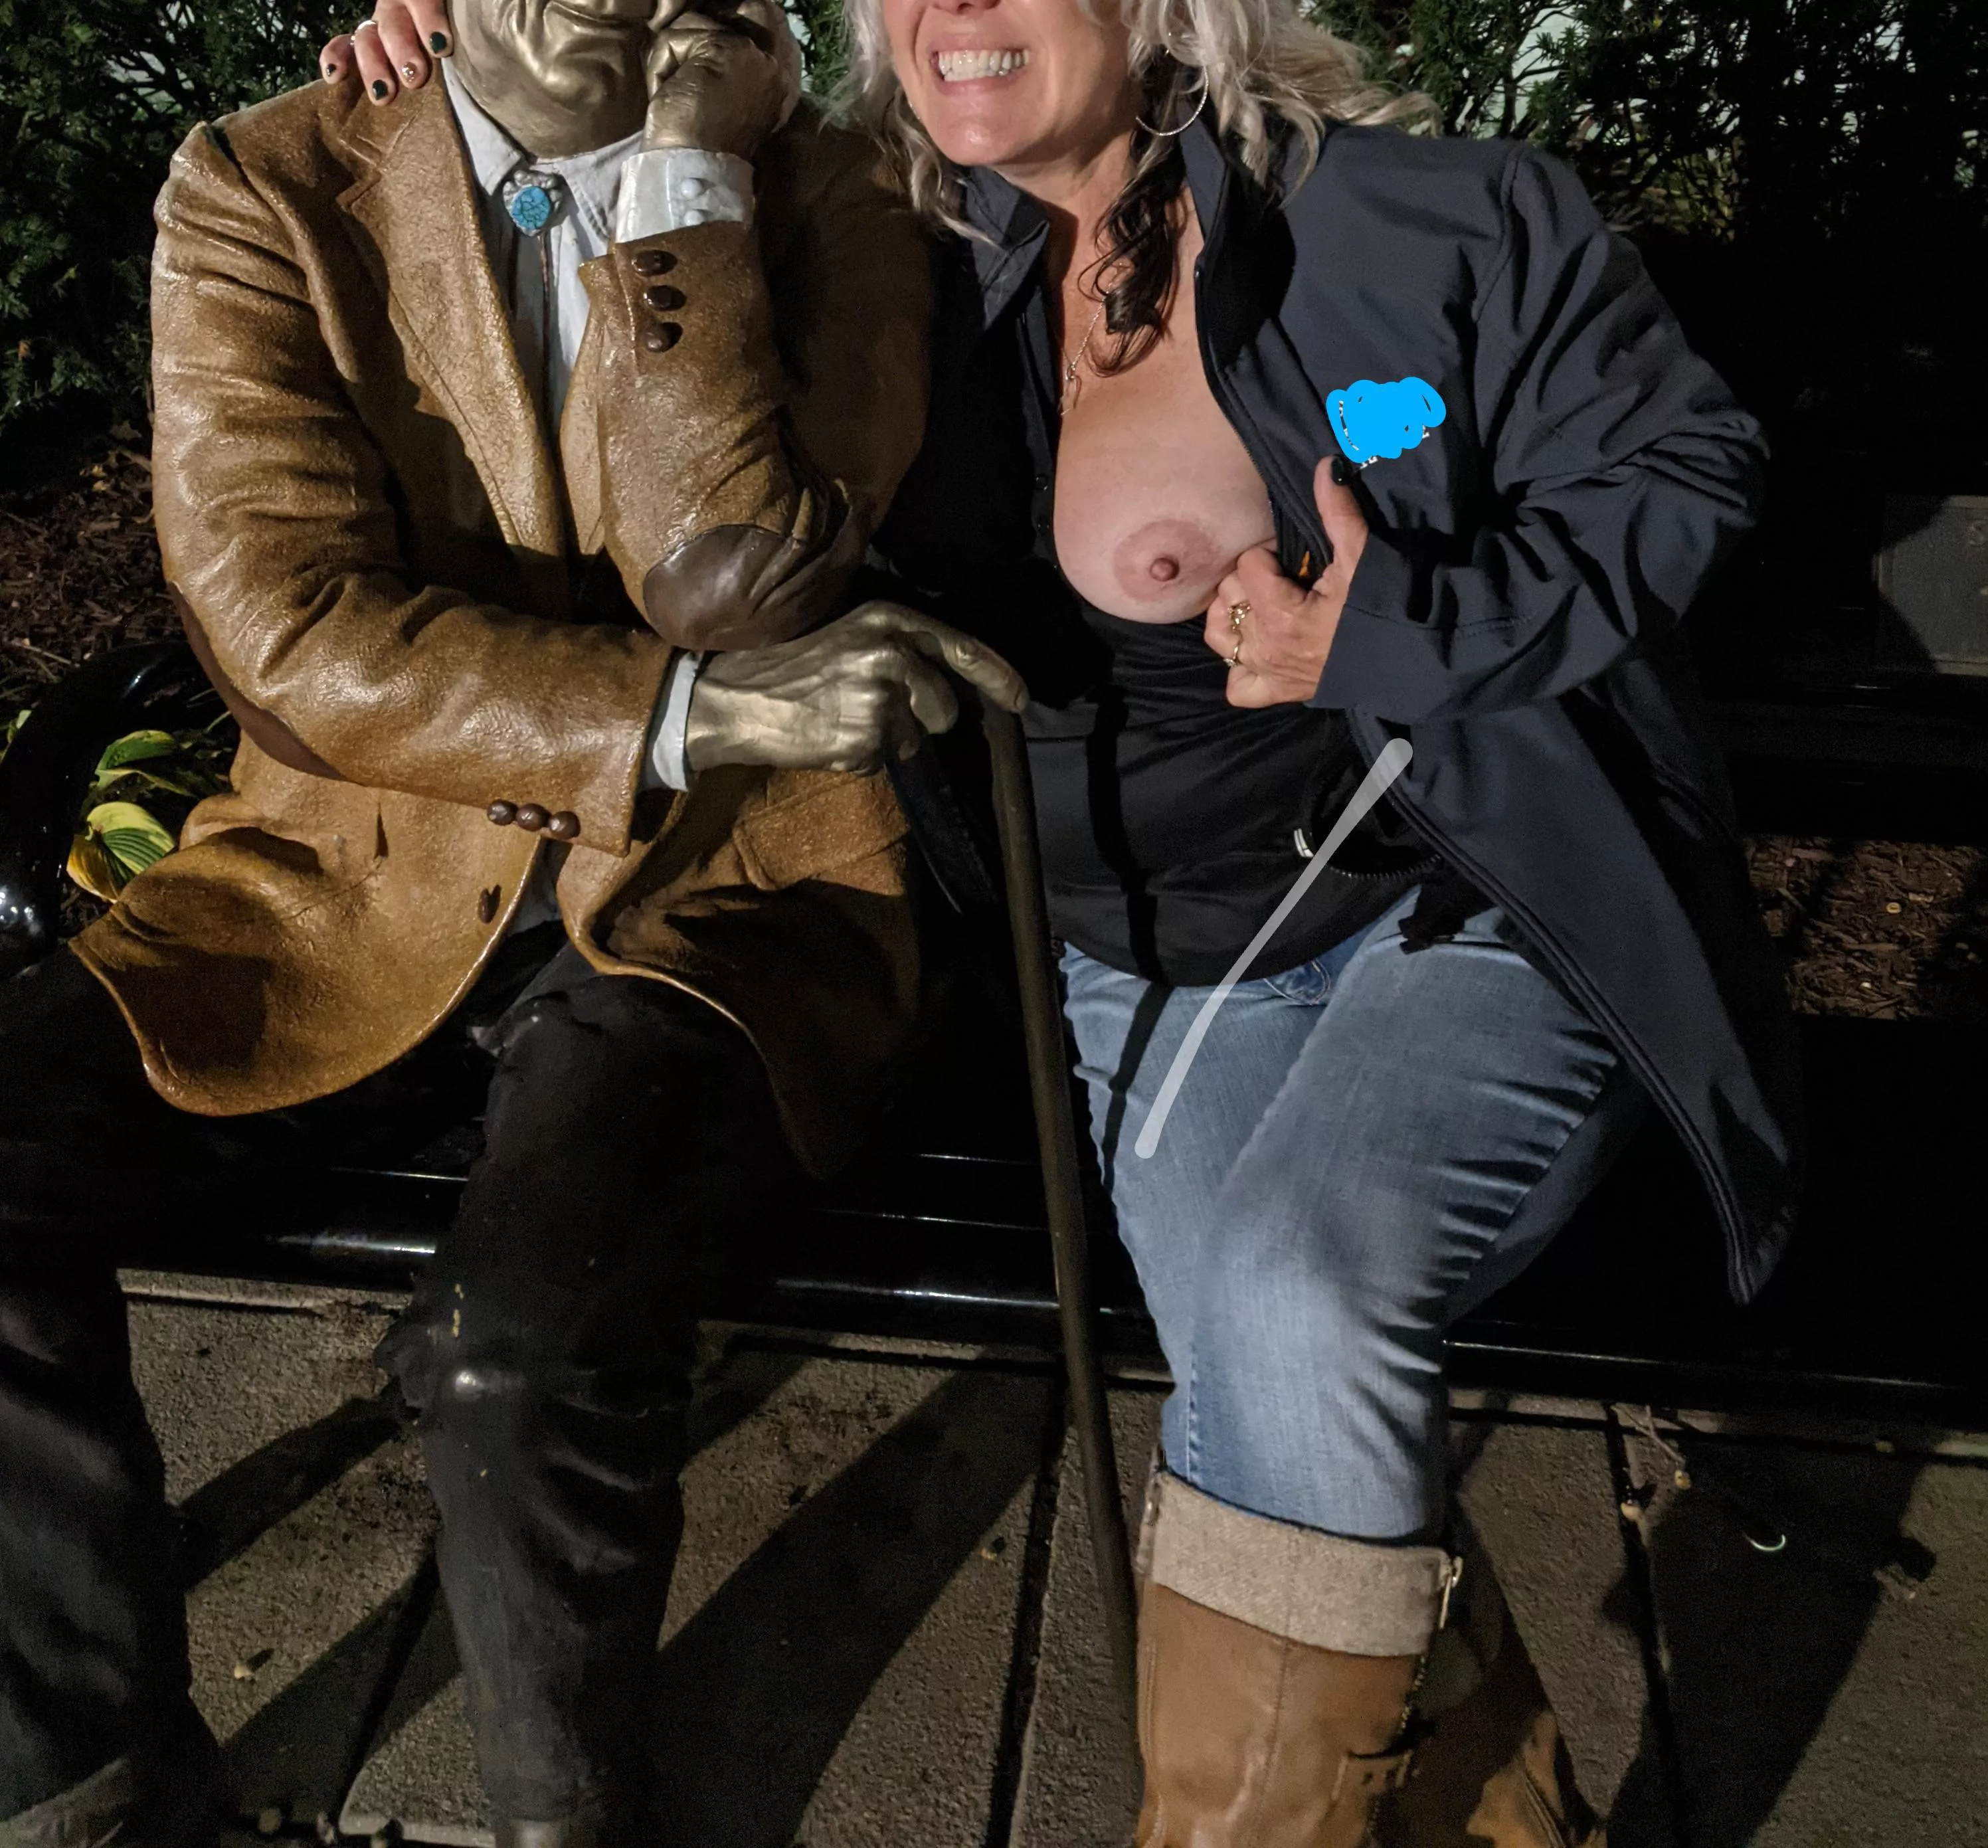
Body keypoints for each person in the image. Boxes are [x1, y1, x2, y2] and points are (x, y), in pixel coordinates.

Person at [339, 0, 1804, 1840]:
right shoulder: (884, 248)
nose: (954, 14)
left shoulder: (1422, 221)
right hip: (1134, 977)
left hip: (1453, 914)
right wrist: (463, 52)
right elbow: (624, 330)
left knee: (1289, 1295)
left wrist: (1397, 631)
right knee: (1286, 1411)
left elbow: (1680, 464)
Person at [0, 5, 1024, 1845]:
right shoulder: (260, 187)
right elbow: (284, 625)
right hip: (342, 875)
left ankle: (575, 1820)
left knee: (511, 1347)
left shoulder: (835, 186)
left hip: (721, 890)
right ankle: (93, 1789)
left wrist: (683, 182)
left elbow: (741, 569)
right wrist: (673, 716)